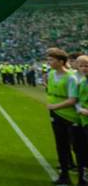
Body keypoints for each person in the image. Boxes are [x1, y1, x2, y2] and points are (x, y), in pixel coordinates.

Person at [47, 47, 82, 185]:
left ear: (61, 61)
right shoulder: (51, 74)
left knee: (77, 147)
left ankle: (82, 177)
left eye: (51, 60)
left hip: (70, 116)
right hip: (56, 114)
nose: (48, 62)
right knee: (61, 146)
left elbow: (73, 99)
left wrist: (54, 106)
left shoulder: (71, 77)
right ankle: (64, 175)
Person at [74, 55, 88, 186]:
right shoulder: (83, 82)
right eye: (81, 66)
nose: (84, 68)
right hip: (83, 122)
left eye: (87, 66)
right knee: (81, 152)